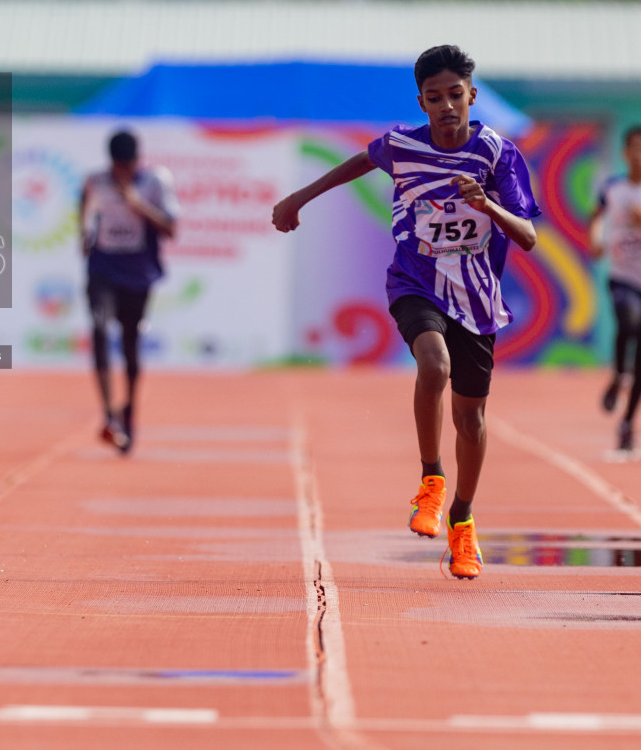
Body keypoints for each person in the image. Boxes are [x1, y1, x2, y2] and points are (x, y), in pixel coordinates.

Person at [272, 45, 538, 580]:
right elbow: (360, 161)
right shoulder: (401, 145)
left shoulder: (496, 154)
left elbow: (528, 236)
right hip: (415, 280)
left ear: (472, 96)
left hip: (476, 296)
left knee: (471, 417)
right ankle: (431, 480)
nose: (446, 107)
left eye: (455, 96)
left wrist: (487, 204)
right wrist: (298, 197)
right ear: (421, 101)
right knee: (433, 366)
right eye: (434, 98)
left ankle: (462, 518)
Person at [79, 130, 178, 455]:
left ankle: (129, 411)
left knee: (130, 342)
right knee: (98, 327)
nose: (122, 172)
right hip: (103, 268)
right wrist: (84, 231)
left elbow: (171, 229)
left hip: (138, 271)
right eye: (117, 166)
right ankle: (108, 415)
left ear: (138, 160)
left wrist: (138, 205)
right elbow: (84, 207)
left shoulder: (154, 182)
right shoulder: (95, 180)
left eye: (128, 165)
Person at [588, 125, 641, 453]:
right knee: (629, 319)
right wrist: (596, 238)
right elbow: (595, 217)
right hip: (621, 275)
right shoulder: (613, 188)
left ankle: (627, 423)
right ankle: (619, 374)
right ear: (625, 152)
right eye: (634, 147)